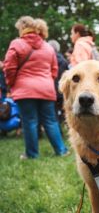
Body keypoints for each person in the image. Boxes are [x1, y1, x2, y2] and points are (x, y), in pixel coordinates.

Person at [3, 16, 69, 159]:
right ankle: (61, 150)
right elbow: (54, 69)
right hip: (46, 89)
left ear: (22, 28)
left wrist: (11, 82)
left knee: (29, 121)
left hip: (25, 90)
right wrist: (46, 81)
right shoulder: (47, 47)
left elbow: (9, 68)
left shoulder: (17, 44)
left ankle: (32, 154)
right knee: (50, 120)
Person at [48, 39, 69, 124]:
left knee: (54, 113)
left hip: (52, 90)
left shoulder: (48, 61)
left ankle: (58, 130)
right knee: (65, 111)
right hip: (62, 90)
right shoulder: (64, 61)